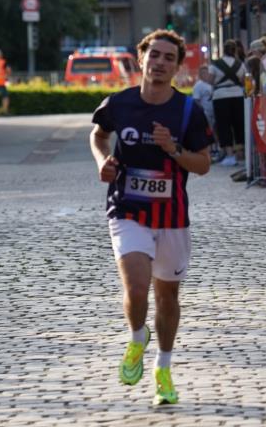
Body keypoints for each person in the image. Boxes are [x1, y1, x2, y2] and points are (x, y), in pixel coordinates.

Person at [89, 29, 213, 407]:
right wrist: (103, 162)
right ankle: (136, 338)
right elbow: (98, 135)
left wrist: (172, 149)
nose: (160, 63)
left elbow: (204, 164)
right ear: (141, 58)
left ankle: (163, 366)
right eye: (154, 55)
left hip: (172, 214)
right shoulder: (120, 103)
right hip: (127, 208)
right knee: (137, 288)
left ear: (177, 67)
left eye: (168, 58)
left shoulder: (188, 110)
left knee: (167, 296)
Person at [209, 39, 246, 167]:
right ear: (235, 50)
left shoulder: (215, 64)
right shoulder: (240, 64)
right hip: (237, 94)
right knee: (238, 123)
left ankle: (230, 155)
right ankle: (240, 152)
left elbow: (210, 80)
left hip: (220, 96)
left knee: (223, 125)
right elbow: (243, 80)